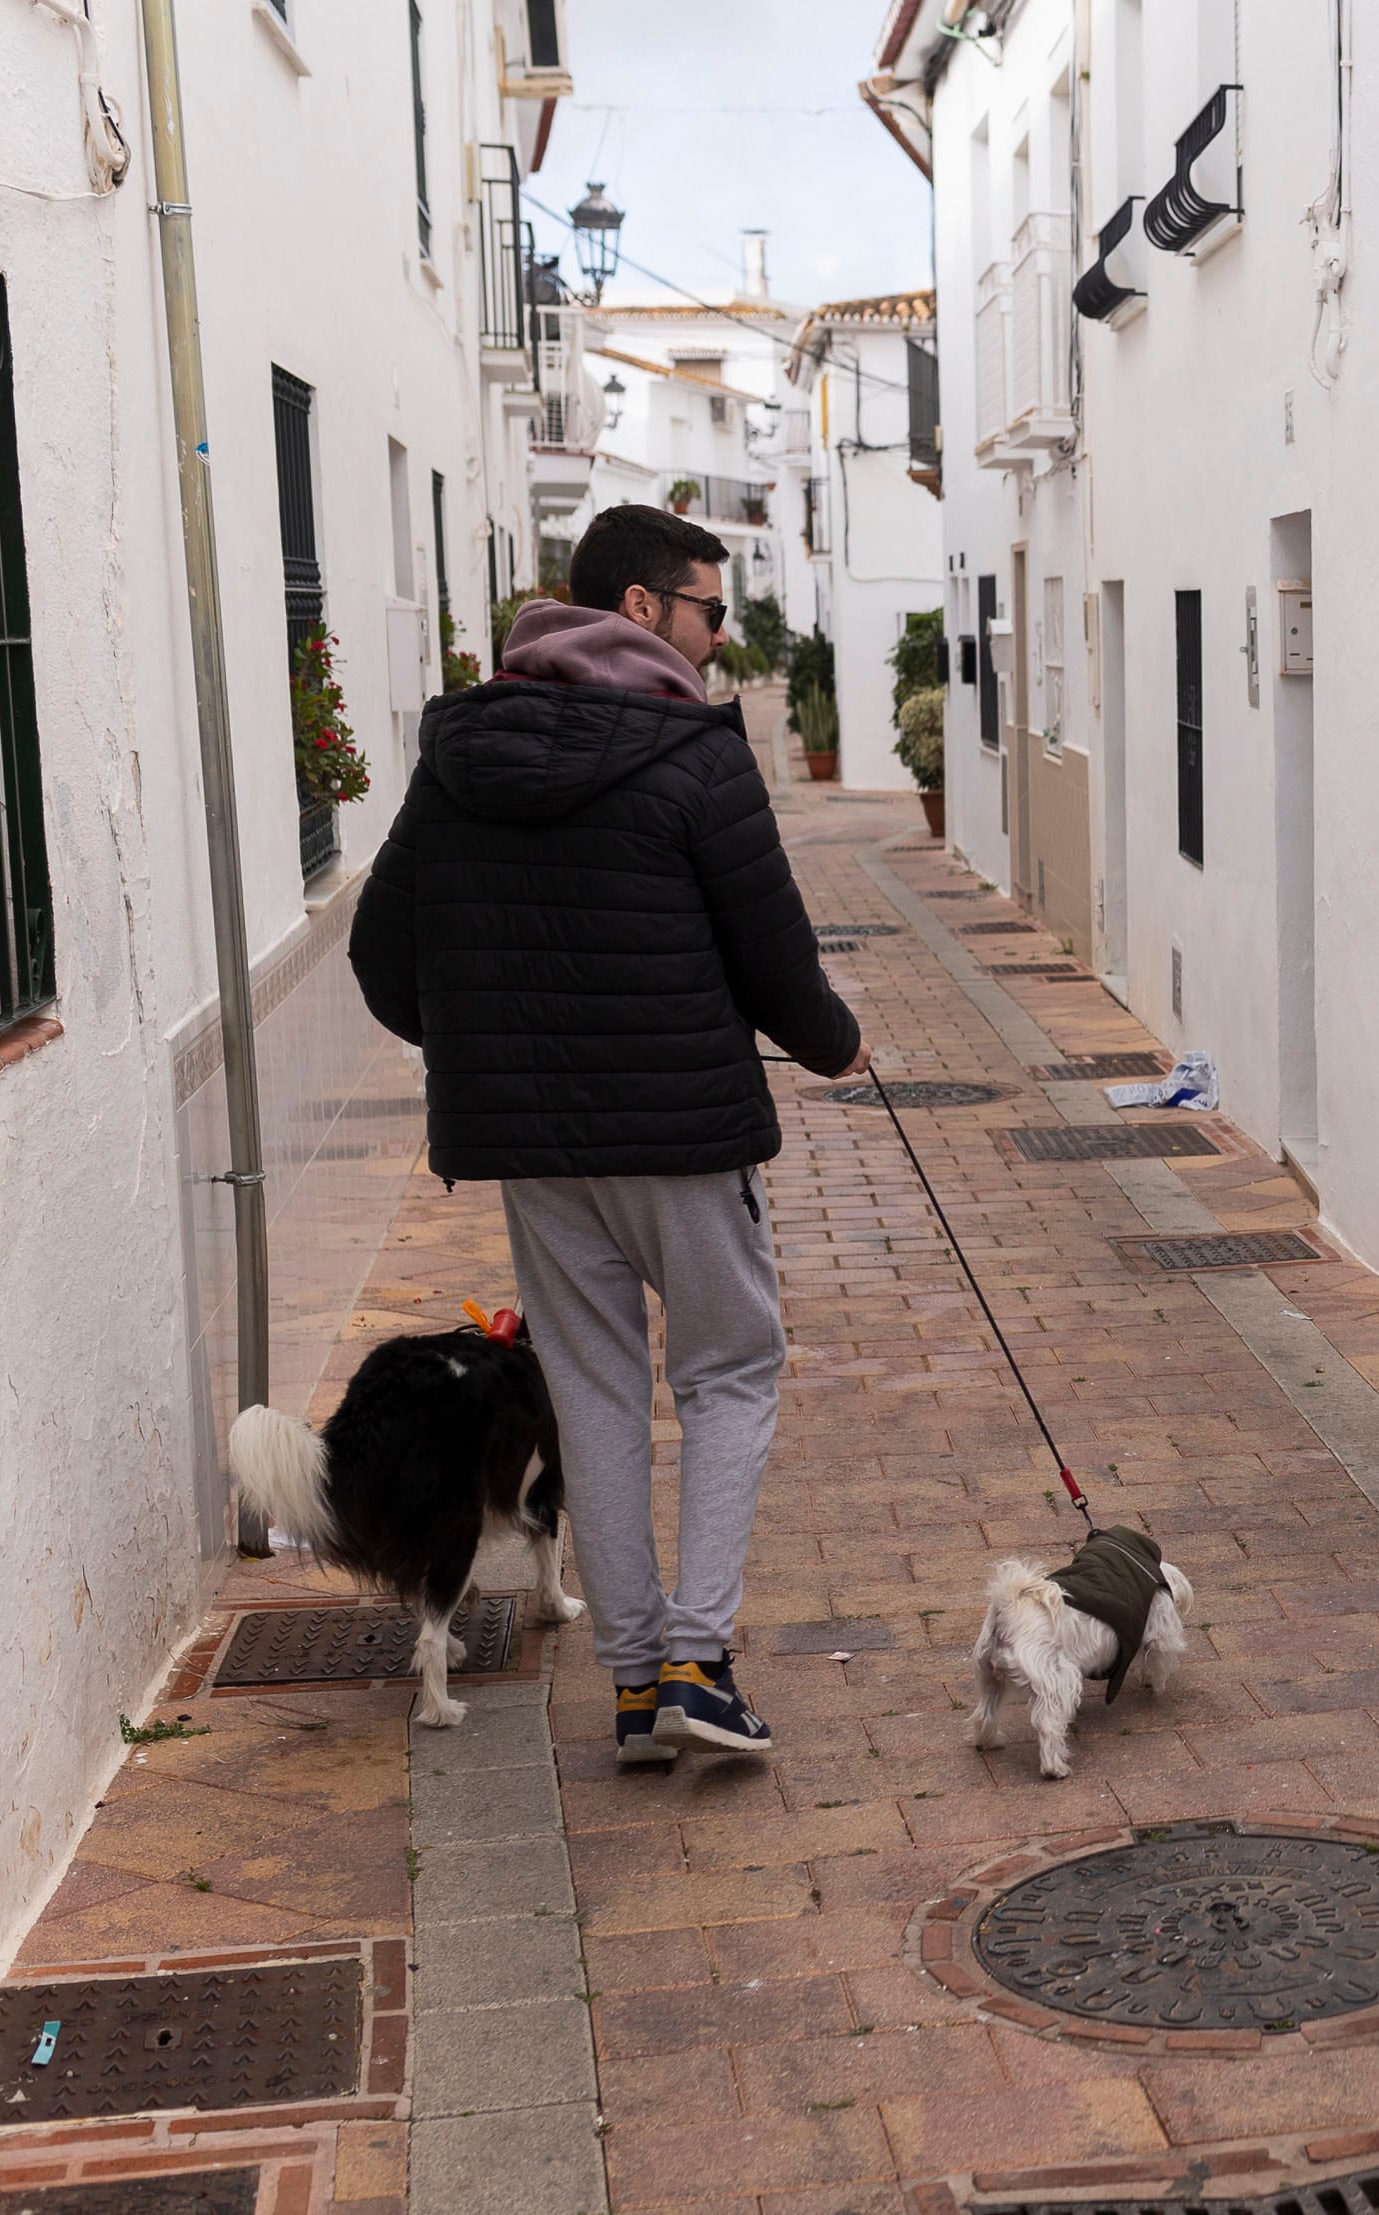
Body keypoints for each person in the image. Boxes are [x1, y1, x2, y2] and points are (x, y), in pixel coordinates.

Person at [352, 504, 865, 1766]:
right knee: (732, 1369)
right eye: (708, 610)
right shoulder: (696, 752)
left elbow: (380, 954)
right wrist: (834, 1041)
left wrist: (484, 1048)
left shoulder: (460, 751)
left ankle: (638, 1690)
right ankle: (697, 1657)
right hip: (679, 1131)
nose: (717, 636)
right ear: (642, 609)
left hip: (534, 1148)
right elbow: (771, 953)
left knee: (592, 1395)